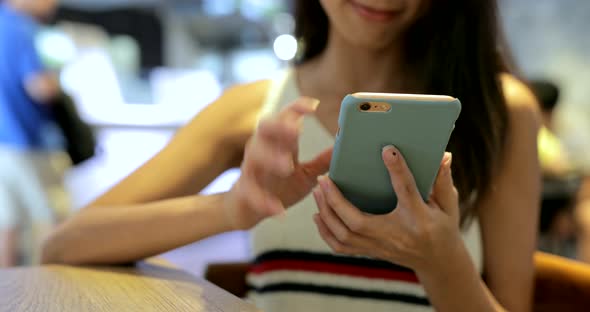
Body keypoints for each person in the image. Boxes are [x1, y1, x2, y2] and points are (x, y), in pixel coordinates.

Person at [42, 1, 541, 311]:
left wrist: (441, 263)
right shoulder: (253, 108)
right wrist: (230, 208)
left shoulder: (503, 112)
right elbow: (63, 246)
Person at [0, 0, 64, 266]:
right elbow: (40, 87)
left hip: (3, 142)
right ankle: (54, 293)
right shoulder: (21, 30)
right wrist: (56, 81)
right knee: (51, 220)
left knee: (7, 222)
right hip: (26, 141)